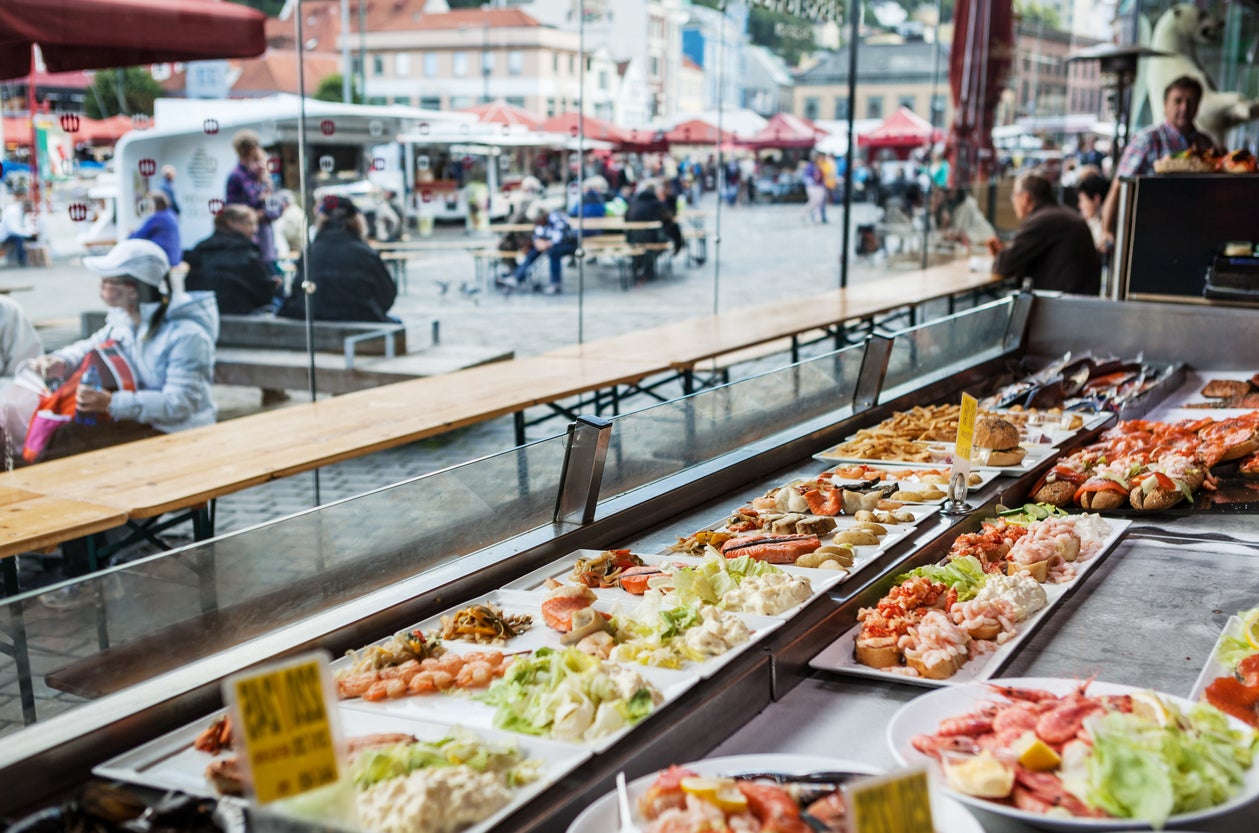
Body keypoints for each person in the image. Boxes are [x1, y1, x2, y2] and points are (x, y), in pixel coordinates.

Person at [27, 239, 217, 461]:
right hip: (140, 423)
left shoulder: (187, 335)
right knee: (62, 439)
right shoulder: (125, 321)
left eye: (108, 281)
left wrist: (112, 403)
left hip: (178, 433)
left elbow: (180, 404)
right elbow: (89, 345)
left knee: (68, 447)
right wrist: (61, 361)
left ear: (133, 290)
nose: (101, 286)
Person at [1100, 76, 1217, 242]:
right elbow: (1119, 186)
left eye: (1190, 102)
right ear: (1165, 106)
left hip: (1193, 232)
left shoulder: (1205, 143)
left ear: (1198, 106)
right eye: (1177, 101)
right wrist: (1105, 230)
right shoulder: (1147, 140)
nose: (1184, 108)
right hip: (1150, 233)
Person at [277, 197, 398, 322]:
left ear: (321, 219)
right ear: (357, 220)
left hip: (314, 322)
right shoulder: (366, 254)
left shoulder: (310, 252)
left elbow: (297, 291)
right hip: (359, 321)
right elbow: (387, 296)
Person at [989, 170, 1100, 295]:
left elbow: (1002, 266)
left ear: (1026, 197)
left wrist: (1002, 255)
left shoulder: (1041, 220)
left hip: (1059, 308)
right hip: (1079, 303)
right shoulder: (1063, 215)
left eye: (1014, 196)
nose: (1013, 201)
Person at [184, 204, 279, 315]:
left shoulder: (201, 248)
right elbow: (261, 294)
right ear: (231, 223)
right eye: (249, 223)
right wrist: (272, 286)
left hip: (203, 314)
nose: (255, 229)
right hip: (242, 318)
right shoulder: (246, 252)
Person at [225, 129, 282, 274]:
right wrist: (258, 212)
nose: (260, 163)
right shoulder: (237, 177)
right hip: (247, 247)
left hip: (265, 246)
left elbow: (275, 210)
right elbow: (235, 215)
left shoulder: (261, 178)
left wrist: (260, 212)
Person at [504, 205, 577, 295]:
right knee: (533, 252)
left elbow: (562, 236)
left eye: (538, 220)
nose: (537, 222)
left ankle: (556, 284)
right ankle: (517, 277)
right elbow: (537, 235)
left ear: (543, 216)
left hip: (568, 244)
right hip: (550, 244)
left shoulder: (556, 217)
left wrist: (547, 243)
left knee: (554, 251)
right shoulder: (540, 223)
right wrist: (538, 242)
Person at [128, 191, 181, 267]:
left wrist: (131, 233)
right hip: (174, 258)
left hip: (164, 259)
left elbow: (138, 235)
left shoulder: (157, 217)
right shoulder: (171, 214)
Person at [0, 188, 36, 267]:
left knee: (29, 237)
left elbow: (25, 226)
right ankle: (22, 261)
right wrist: (28, 233)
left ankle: (32, 259)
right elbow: (13, 230)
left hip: (13, 234)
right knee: (19, 238)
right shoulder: (12, 210)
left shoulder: (21, 209)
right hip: (5, 236)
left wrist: (30, 232)